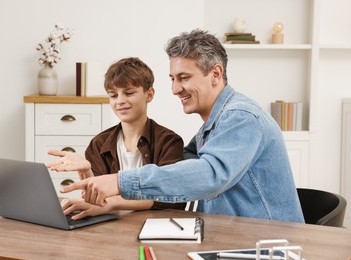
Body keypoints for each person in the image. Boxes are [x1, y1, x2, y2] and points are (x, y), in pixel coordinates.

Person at [61, 29, 305, 223]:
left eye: (184, 78)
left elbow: (210, 175)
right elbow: (181, 169)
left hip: (267, 245)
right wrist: (93, 178)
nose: (176, 89)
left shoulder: (240, 117)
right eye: (173, 79)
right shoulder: (212, 126)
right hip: (232, 236)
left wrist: (119, 181)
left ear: (216, 74)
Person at [47, 57, 186, 220]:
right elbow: (96, 201)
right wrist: (85, 170)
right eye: (113, 95)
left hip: (154, 226)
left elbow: (172, 199)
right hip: (111, 227)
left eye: (129, 93)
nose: (120, 101)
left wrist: (113, 203)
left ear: (149, 94)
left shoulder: (169, 141)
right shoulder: (99, 143)